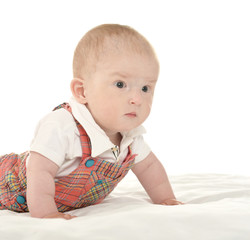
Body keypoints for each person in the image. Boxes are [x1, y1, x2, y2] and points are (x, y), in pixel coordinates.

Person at [0, 24, 183, 220]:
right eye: (120, 84)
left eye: (146, 88)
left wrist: (165, 199)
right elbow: (39, 171)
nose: (137, 99)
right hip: (9, 184)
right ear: (82, 91)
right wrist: (46, 213)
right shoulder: (63, 125)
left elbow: (149, 168)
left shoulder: (131, 137)